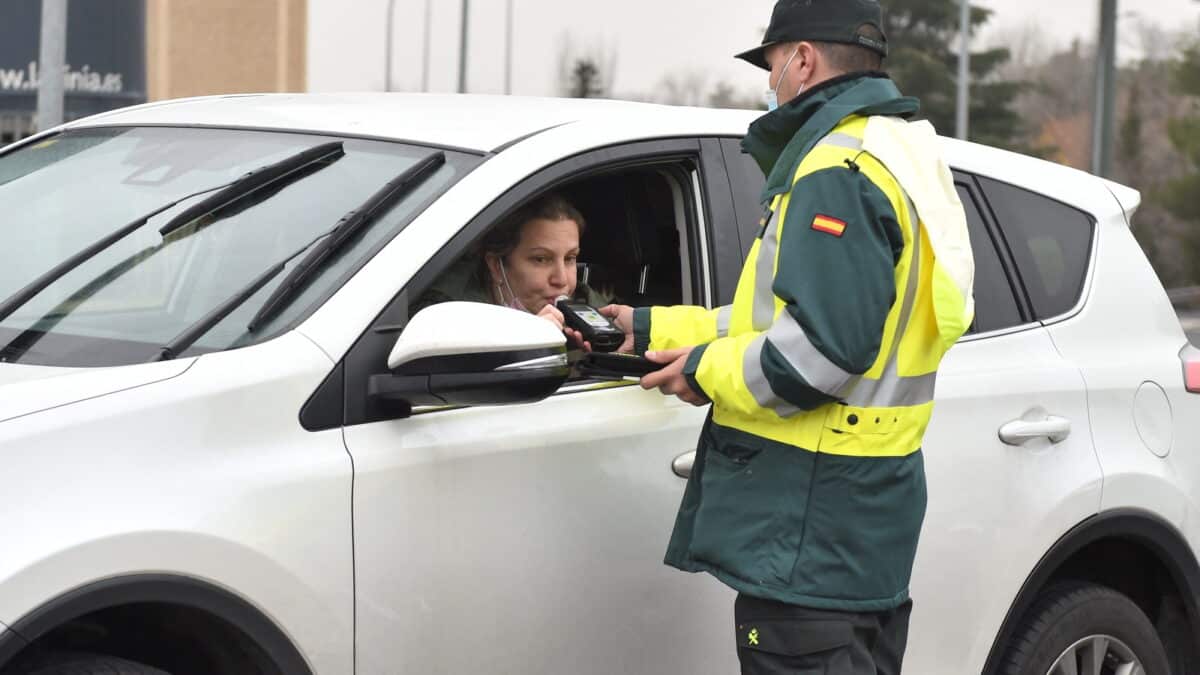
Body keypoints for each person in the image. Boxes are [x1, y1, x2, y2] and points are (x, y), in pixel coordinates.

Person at [601, 1, 975, 672]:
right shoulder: (900, 150)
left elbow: (818, 354)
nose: (769, 83)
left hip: (810, 534)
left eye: (771, 65)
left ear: (802, 60)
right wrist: (645, 327)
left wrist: (704, 372)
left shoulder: (837, 170)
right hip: (858, 528)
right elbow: (776, 322)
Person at [415, 193, 600, 348]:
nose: (561, 280)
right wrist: (523, 345)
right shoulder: (447, 320)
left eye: (569, 258)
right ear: (496, 266)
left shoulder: (594, 312)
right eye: (541, 259)